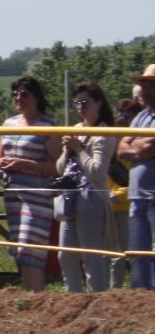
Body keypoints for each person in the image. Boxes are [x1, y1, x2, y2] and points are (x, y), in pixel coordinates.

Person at [0, 75, 59, 291]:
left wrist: (25, 163)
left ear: (36, 97)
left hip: (38, 195)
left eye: (24, 94)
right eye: (15, 94)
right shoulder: (8, 123)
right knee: (20, 249)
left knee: (30, 249)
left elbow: (57, 166)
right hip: (13, 193)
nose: (18, 98)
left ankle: (35, 297)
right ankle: (33, 295)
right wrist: (5, 163)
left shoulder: (48, 125)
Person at [58, 81, 120, 294]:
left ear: (99, 103)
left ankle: (97, 300)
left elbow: (97, 172)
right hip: (70, 197)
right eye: (77, 103)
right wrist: (67, 151)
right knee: (65, 254)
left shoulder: (104, 133)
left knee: (90, 255)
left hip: (91, 197)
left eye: (85, 102)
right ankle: (73, 298)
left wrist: (79, 149)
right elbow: (60, 169)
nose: (80, 107)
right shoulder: (76, 129)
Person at [121, 67, 155, 291]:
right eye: (144, 85)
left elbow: (152, 145)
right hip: (136, 196)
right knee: (136, 252)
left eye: (151, 85)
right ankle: (141, 298)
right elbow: (121, 149)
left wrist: (135, 145)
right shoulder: (141, 117)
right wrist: (138, 150)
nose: (145, 90)